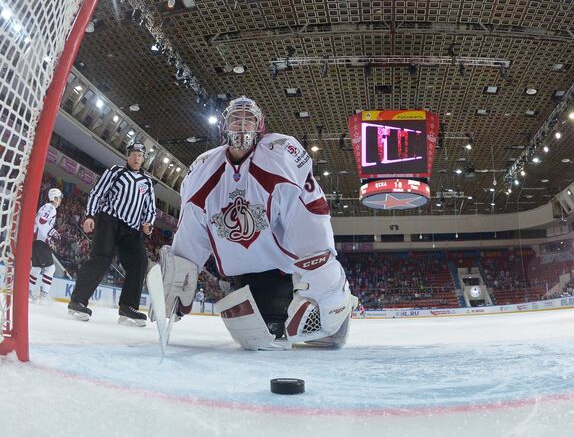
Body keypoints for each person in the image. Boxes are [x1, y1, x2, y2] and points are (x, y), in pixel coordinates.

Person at [155, 96, 357, 350]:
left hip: (285, 272)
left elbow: (308, 213)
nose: (241, 127)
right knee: (259, 338)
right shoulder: (203, 170)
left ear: (260, 126)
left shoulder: (279, 156)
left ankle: (336, 300)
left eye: (248, 120)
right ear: (223, 128)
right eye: (235, 120)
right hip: (245, 276)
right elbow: (191, 228)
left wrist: (319, 273)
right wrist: (180, 270)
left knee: (323, 332)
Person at [67, 142, 156, 326]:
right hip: (109, 221)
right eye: (133, 154)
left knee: (139, 262)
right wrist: (90, 215)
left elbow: (150, 209)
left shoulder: (147, 182)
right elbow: (97, 193)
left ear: (143, 158)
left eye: (140, 155)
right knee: (101, 258)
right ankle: (77, 302)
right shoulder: (115, 171)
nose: (136, 158)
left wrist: (149, 224)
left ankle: (128, 308)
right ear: (127, 155)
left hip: (131, 229)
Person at [30, 188, 63, 303]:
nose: (60, 201)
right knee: (50, 269)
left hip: (36, 241)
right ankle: (43, 296)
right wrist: (52, 232)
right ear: (55, 198)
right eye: (59, 198)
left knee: (36, 268)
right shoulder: (51, 207)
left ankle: (28, 292)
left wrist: (50, 236)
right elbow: (42, 221)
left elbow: (39, 222)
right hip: (40, 242)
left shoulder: (44, 207)